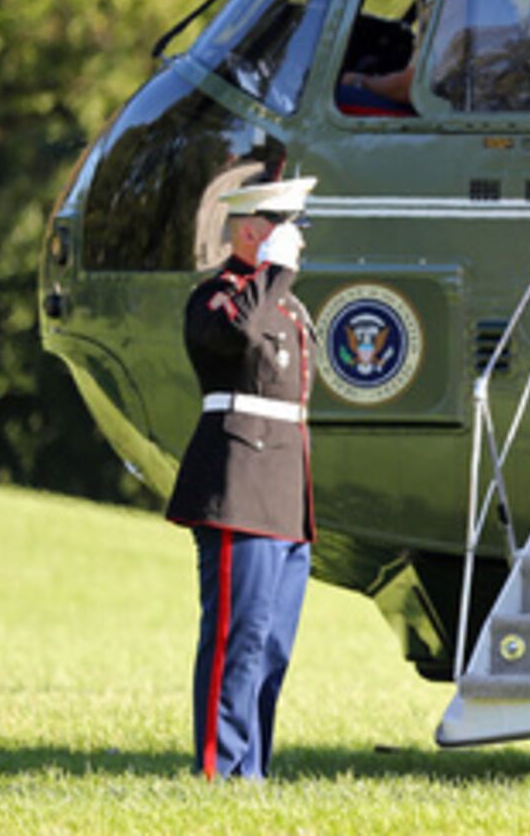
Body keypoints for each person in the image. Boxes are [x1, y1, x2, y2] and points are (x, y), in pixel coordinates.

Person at [165, 174, 317, 780]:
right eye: (284, 228)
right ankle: (219, 771)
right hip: (239, 480)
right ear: (251, 231)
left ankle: (251, 770)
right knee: (237, 636)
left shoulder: (284, 302)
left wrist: (276, 281)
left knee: (273, 645)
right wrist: (272, 273)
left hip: (283, 487)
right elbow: (236, 335)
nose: (296, 242)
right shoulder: (217, 297)